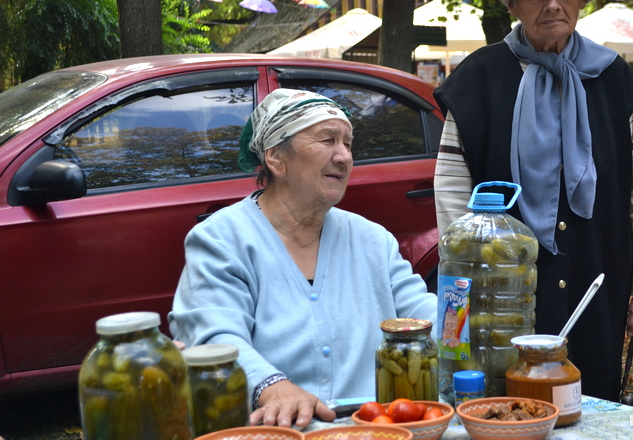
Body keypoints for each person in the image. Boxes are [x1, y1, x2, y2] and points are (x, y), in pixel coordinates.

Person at [432, 0, 633, 403]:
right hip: (500, 289)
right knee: (503, 401)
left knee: (590, 397)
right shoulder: (478, 80)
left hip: (596, 275)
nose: (552, 4)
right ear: (515, 4)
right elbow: (451, 196)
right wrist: (464, 286)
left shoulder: (611, 77)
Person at [169, 89, 436, 428]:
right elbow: (215, 337)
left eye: (348, 144)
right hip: (276, 431)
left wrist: (474, 330)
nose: (344, 157)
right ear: (276, 159)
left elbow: (421, 314)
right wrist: (273, 387)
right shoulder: (223, 240)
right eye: (327, 140)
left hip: (375, 428)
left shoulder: (372, 240)